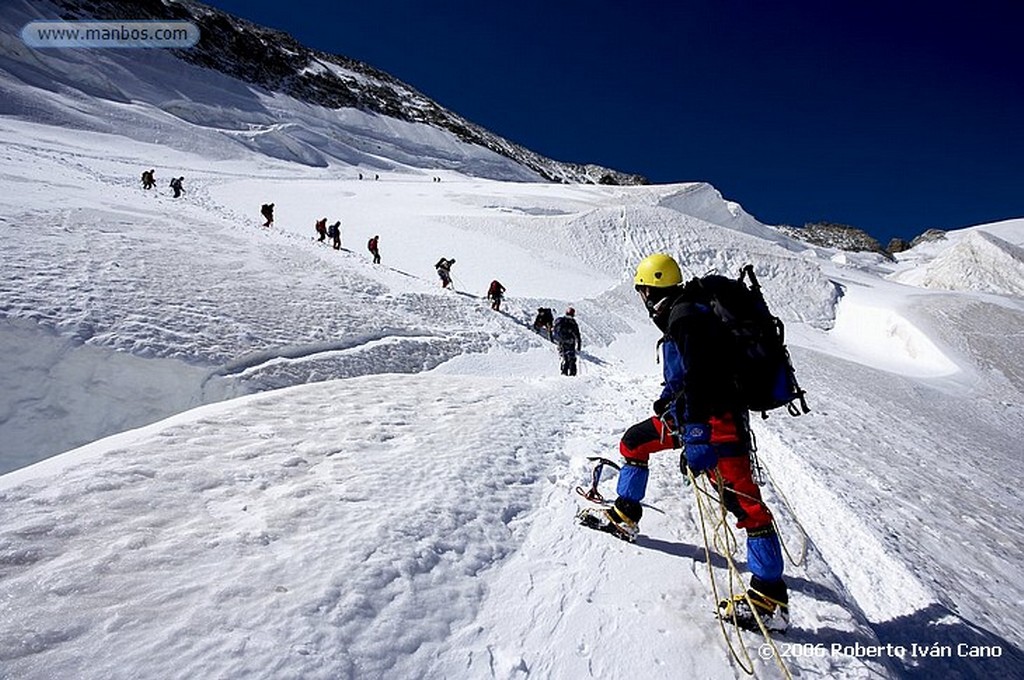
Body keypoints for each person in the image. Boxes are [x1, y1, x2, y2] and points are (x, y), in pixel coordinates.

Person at [596, 253, 789, 631]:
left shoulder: (685, 316)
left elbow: (704, 374)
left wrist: (698, 432)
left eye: (643, 291)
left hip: (714, 423)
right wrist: (672, 404)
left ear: (651, 289)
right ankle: (624, 514)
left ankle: (769, 598)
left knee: (744, 501)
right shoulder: (687, 312)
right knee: (635, 443)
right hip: (695, 419)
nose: (643, 298)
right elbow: (690, 374)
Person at [552, 307, 582, 376]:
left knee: (564, 358)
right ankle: (572, 375)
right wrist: (579, 346)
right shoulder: (573, 323)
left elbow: (555, 331)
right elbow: (577, 335)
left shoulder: (561, 320)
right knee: (571, 359)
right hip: (571, 343)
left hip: (561, 343)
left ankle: (564, 374)